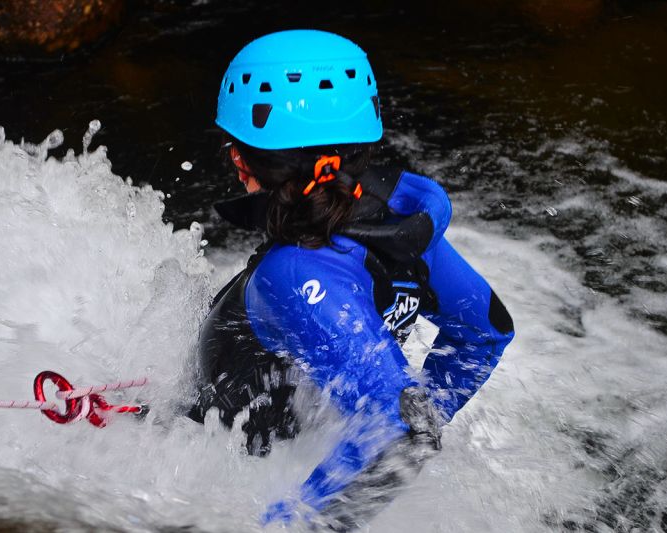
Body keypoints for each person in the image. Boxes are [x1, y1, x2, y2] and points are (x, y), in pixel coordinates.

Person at [187, 30, 515, 529]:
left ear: (245, 164)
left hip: (217, 452)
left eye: (234, 153)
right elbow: (486, 331)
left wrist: (290, 525)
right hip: (292, 432)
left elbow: (402, 433)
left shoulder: (290, 274)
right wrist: (410, 399)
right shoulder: (397, 226)